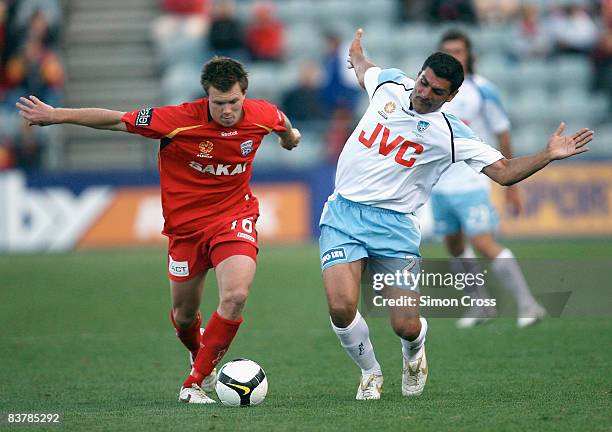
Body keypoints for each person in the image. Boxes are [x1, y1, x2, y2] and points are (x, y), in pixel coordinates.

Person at [319, 29, 593, 401]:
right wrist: (357, 54)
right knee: (340, 306)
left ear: (452, 96)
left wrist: (547, 155)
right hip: (344, 214)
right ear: (417, 74)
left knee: (405, 323)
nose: (425, 94)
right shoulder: (388, 85)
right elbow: (366, 69)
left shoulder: (450, 133)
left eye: (437, 92)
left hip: (395, 226)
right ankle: (370, 373)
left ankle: (415, 350)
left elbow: (505, 171)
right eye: (424, 83)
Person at [16, 56, 301, 404]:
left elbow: (283, 124)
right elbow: (116, 121)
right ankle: (200, 354)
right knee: (184, 317)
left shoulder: (262, 114)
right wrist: (58, 115)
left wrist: (290, 138)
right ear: (205, 97)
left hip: (234, 216)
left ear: (245, 95)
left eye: (233, 102)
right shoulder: (179, 120)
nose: (226, 110)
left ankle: (193, 383)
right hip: (185, 230)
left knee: (236, 295)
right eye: (218, 103)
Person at [431, 28, 545, 329]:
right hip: (439, 184)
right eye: (448, 51)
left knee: (483, 242)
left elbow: (502, 133)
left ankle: (528, 303)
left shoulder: (483, 90)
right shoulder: (433, 91)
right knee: (454, 245)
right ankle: (480, 303)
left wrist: (511, 185)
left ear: (469, 54)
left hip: (472, 182)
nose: (454, 56)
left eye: (459, 50)